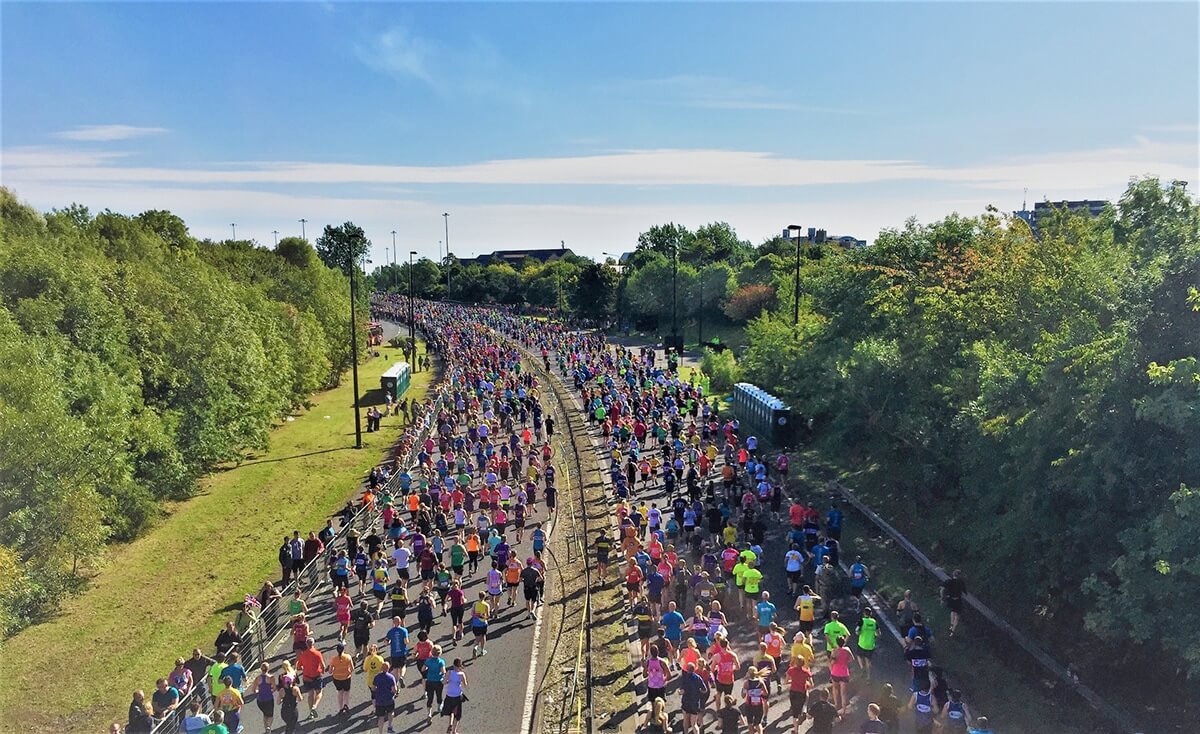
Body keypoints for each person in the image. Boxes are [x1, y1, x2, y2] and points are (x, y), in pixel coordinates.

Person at [296, 637, 325, 719]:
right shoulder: (318, 653)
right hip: (316, 676)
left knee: (310, 694)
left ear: (306, 644)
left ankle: (310, 712)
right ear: (313, 644)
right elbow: (323, 665)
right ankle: (314, 706)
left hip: (306, 677)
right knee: (319, 692)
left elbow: (298, 667)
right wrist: (322, 671)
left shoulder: (303, 655)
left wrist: (304, 668)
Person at [829, 636, 857, 714]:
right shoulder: (847, 650)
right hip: (844, 672)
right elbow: (852, 659)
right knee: (843, 693)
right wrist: (845, 661)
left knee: (835, 689)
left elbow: (832, 662)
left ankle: (836, 705)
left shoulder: (834, 651)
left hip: (835, 672)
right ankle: (844, 709)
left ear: (837, 642)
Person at [678, 662, 708, 734]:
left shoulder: (684, 678)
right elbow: (705, 690)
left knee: (685, 721)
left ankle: (685, 732)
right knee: (694, 724)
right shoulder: (698, 678)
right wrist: (699, 691)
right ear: (694, 669)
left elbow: (681, 691)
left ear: (687, 669)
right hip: (695, 703)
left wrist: (680, 692)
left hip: (686, 702)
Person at [442, 659, 467, 734]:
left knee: (451, 711)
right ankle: (454, 731)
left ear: (453, 665)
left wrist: (448, 681)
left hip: (449, 695)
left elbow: (443, 682)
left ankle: (450, 724)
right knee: (458, 714)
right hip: (457, 695)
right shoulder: (461, 674)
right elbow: (465, 685)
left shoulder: (449, 672)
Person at [374, 661, 399, 734]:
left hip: (379, 700)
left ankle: (380, 732)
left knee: (381, 717)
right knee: (390, 713)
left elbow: (373, 687)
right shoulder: (391, 677)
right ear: (388, 668)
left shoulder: (377, 677)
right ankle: (390, 727)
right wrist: (394, 694)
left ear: (381, 668)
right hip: (389, 700)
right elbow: (394, 689)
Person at [741, 667, 769, 734]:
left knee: (750, 724)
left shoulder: (746, 683)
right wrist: (758, 693)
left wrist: (746, 691)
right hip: (759, 705)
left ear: (748, 673)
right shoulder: (760, 682)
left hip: (749, 705)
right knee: (758, 723)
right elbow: (766, 693)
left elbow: (743, 695)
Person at [330, 641, 355, 714]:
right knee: (346, 692)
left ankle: (340, 708)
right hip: (346, 678)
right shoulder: (348, 657)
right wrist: (349, 672)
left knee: (340, 692)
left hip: (337, 678)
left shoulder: (333, 659)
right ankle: (346, 704)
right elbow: (352, 668)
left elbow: (330, 671)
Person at [277, 665, 302, 734]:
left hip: (284, 711)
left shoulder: (282, 690)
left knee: (289, 726)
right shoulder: (295, 689)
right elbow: (300, 699)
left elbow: (278, 702)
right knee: (291, 727)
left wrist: (282, 699)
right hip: (293, 710)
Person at [941, 569, 966, 636]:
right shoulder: (961, 582)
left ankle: (951, 625)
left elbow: (942, 589)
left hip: (951, 599)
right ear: (959, 576)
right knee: (957, 616)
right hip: (958, 600)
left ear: (953, 575)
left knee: (953, 611)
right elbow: (964, 592)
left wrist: (942, 598)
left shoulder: (949, 581)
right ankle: (952, 632)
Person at [424, 645, 447, 719]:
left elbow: (423, 669)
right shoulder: (441, 662)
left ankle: (429, 713)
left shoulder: (428, 660)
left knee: (430, 697)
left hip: (430, 681)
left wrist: (428, 668)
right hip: (438, 681)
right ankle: (439, 707)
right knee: (439, 695)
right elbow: (443, 672)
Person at [251, 663, 275, 732]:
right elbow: (274, 688)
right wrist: (270, 691)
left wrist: (259, 691)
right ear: (268, 668)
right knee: (270, 715)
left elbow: (254, 690)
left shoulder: (257, 678)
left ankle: (266, 729)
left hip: (260, 700)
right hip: (269, 699)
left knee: (265, 714)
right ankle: (268, 727)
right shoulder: (271, 677)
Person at [856, 606, 879, 677]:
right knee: (868, 661)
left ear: (864, 613)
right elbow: (878, 633)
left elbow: (857, 631)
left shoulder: (861, 621)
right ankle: (868, 678)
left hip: (862, 644)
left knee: (858, 655)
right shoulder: (874, 622)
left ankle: (862, 668)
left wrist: (860, 633)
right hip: (871, 645)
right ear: (871, 614)